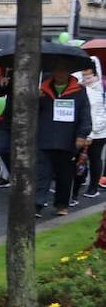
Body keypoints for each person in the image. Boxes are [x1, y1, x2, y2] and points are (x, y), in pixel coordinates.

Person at [35, 60, 91, 217]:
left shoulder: (79, 90)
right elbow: (32, 112)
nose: (59, 73)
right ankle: (37, 203)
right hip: (45, 138)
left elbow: (84, 114)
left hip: (68, 139)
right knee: (41, 173)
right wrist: (36, 98)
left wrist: (82, 134)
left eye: (63, 70)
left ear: (69, 72)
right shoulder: (42, 89)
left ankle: (62, 204)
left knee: (64, 174)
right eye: (56, 70)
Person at [76, 68, 106, 199]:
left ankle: (93, 187)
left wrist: (91, 134)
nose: (86, 80)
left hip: (97, 132)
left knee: (94, 158)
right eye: (84, 77)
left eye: (89, 77)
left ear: (96, 76)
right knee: (82, 158)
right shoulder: (85, 89)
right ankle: (81, 183)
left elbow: (98, 115)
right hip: (88, 130)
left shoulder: (97, 91)